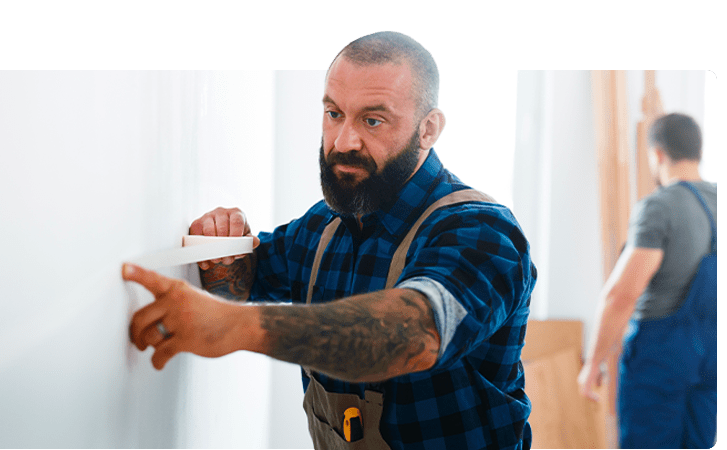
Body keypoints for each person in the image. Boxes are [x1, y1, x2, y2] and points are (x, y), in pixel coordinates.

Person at [124, 31, 537, 450]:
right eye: (334, 113)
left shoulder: (483, 232)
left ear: (427, 129)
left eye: (372, 120)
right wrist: (223, 246)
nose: (343, 142)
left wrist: (233, 328)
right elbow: (246, 280)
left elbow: (414, 335)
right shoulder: (324, 228)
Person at [577, 113, 716, 449]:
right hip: (713, 354)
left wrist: (593, 362)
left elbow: (622, 296)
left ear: (657, 154)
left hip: (661, 359)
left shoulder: (660, 206)